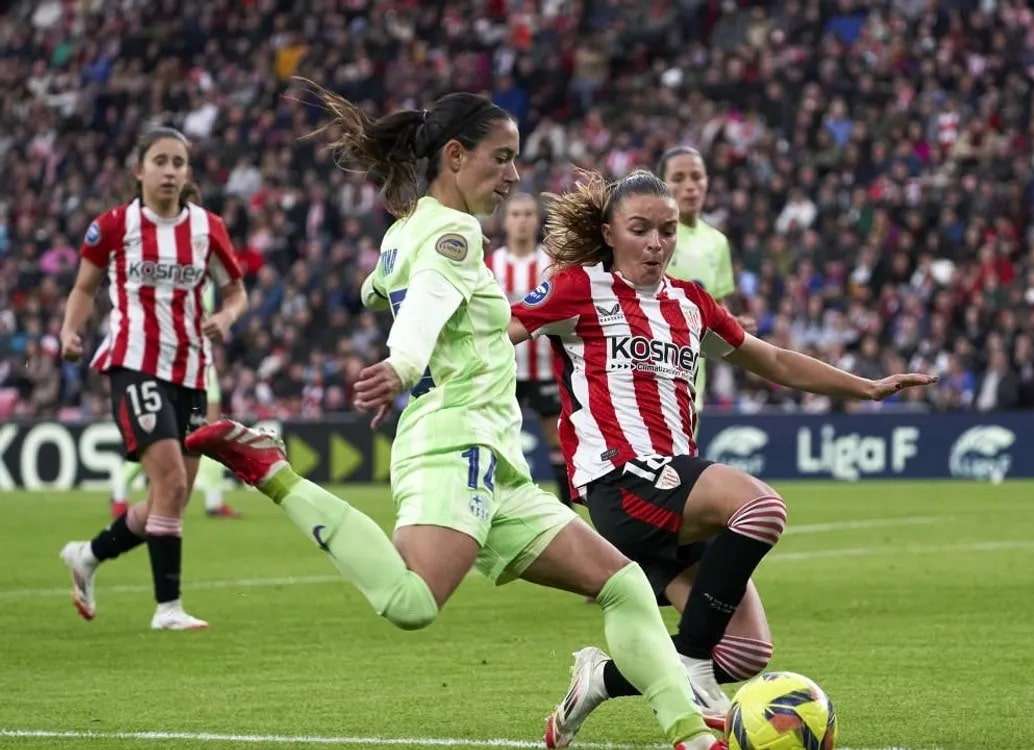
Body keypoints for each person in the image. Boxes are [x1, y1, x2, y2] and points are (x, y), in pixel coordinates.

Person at [184, 85, 725, 750]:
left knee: (624, 587)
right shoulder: (454, 232)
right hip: (453, 441)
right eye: (502, 159)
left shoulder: (404, 234)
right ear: (455, 155)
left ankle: (692, 736)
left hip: (496, 461)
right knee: (411, 603)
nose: (514, 176)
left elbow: (384, 285)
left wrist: (386, 296)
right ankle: (274, 472)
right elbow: (427, 302)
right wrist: (404, 365)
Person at [508, 169, 935, 741]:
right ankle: (688, 665)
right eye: (640, 229)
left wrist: (865, 387)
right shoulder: (578, 289)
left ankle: (601, 679)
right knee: (761, 509)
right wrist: (419, 368)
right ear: (609, 232)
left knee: (746, 650)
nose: (656, 243)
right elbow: (500, 329)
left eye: (665, 230)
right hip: (620, 479)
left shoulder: (691, 303)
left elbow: (776, 362)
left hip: (674, 488)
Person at [59, 126, 248, 630]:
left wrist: (226, 319)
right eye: (160, 161)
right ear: (139, 170)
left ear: (187, 173)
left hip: (190, 369)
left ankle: (89, 555)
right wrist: (70, 332)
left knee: (175, 493)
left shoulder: (208, 228)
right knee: (167, 478)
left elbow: (236, 294)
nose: (169, 171)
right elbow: (83, 287)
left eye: (178, 162)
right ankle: (168, 608)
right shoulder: (114, 226)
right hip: (133, 361)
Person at [110, 283, 241, 519]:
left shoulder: (207, 268)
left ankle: (214, 500)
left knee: (210, 432)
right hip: (172, 362)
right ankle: (119, 489)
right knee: (164, 435)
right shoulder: (173, 265)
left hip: (201, 360)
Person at [485, 193, 571, 504]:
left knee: (558, 441)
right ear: (506, 221)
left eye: (528, 214)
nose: (522, 220)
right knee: (499, 437)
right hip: (503, 366)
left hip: (545, 367)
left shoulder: (551, 265)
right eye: (516, 214)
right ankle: (497, 502)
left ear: (537, 220)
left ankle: (566, 509)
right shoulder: (491, 264)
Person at [658, 147, 738, 415]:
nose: (690, 186)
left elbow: (718, 307)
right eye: (678, 178)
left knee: (687, 453)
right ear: (662, 185)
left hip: (693, 374)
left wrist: (733, 323)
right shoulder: (651, 236)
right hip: (649, 365)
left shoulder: (717, 243)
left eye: (697, 177)